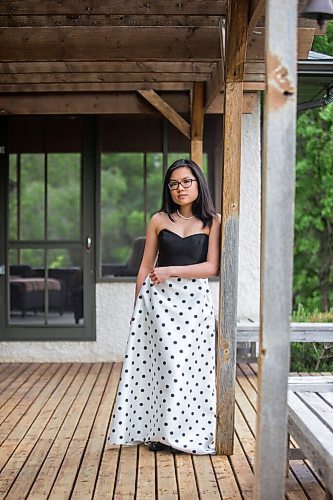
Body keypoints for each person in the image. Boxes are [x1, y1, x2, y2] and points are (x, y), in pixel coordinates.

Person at [106, 158, 221, 455]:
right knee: (164, 368)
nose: (180, 188)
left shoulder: (213, 221)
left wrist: (171, 270)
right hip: (159, 305)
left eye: (186, 181)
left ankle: (185, 431)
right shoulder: (158, 219)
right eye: (174, 183)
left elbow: (211, 267)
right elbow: (145, 267)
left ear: (198, 183)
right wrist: (136, 312)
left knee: (190, 370)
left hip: (195, 306)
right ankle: (160, 431)